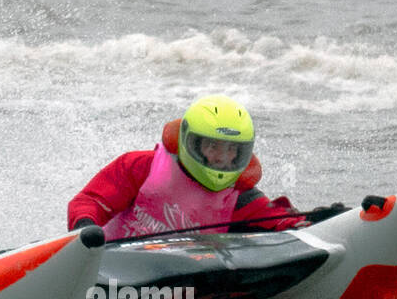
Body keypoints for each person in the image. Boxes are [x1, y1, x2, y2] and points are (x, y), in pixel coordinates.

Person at [67, 95, 305, 239]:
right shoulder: (142, 167)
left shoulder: (239, 196)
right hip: (115, 271)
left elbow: (277, 219)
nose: (222, 157)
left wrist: (316, 222)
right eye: (213, 146)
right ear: (191, 141)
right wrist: (86, 228)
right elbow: (89, 203)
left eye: (232, 149)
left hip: (186, 284)